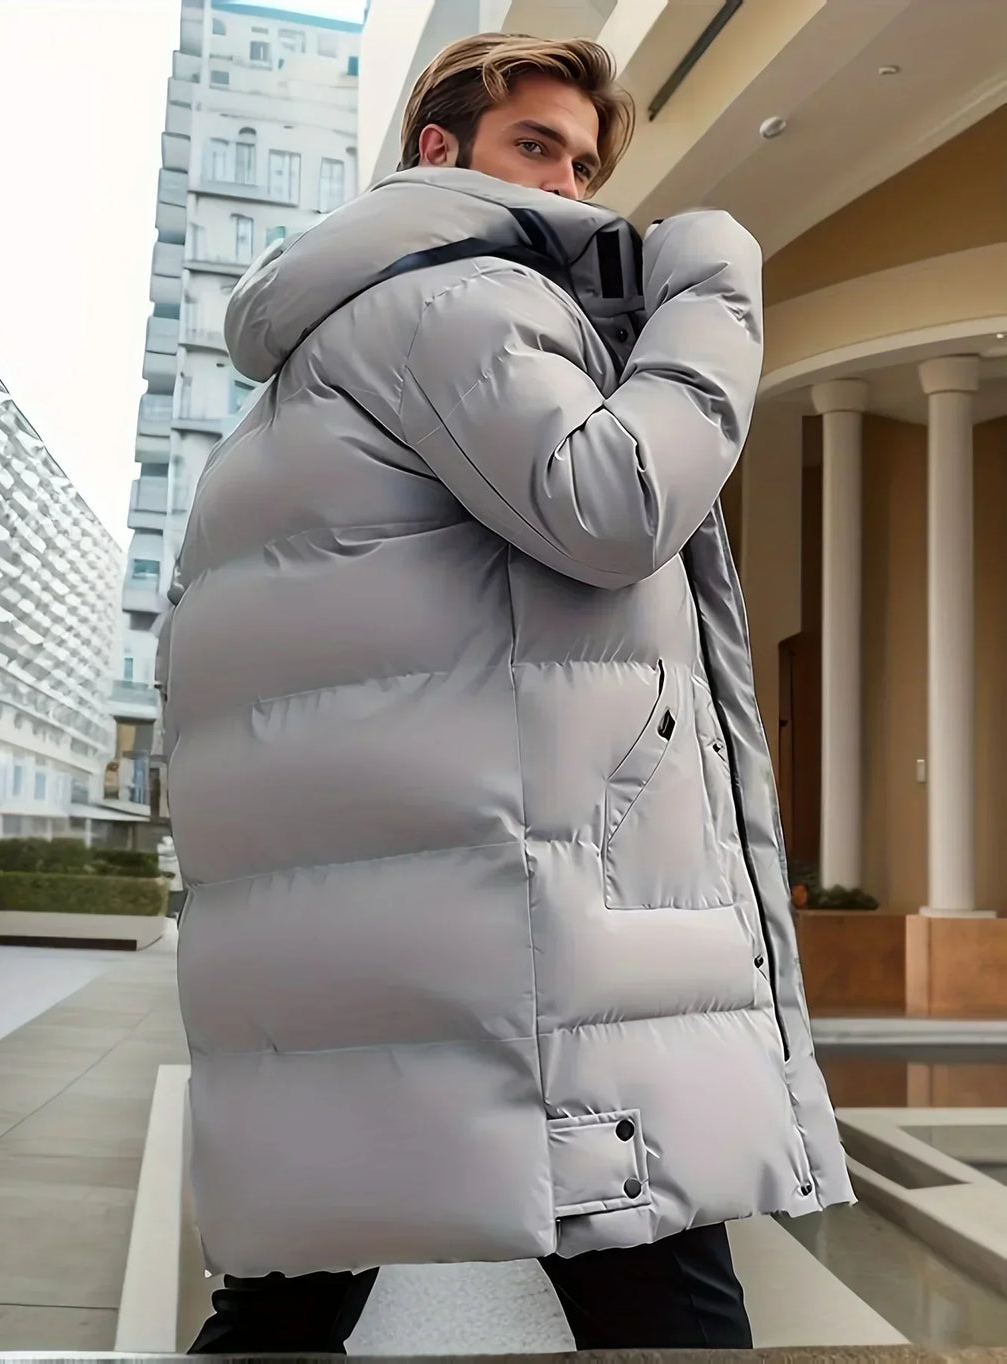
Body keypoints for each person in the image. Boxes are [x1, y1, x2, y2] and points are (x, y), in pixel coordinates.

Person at [157, 32, 853, 1355]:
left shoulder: (317, 362)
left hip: (386, 942)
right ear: (441, 152)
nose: (573, 186)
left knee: (288, 1308)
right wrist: (716, 291)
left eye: (586, 163)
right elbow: (616, 500)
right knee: (670, 1307)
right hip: (526, 942)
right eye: (537, 146)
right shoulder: (453, 295)